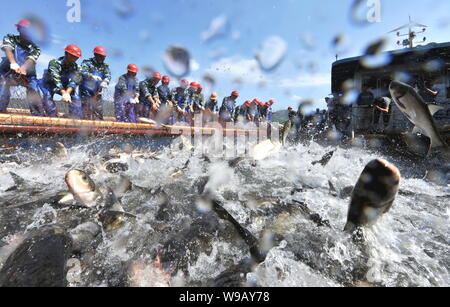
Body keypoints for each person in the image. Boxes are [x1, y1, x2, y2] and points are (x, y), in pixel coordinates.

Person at [0, 19, 42, 115]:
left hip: (27, 73)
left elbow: (32, 58)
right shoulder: (10, 38)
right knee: (2, 85)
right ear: (19, 29)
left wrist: (23, 68)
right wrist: (13, 63)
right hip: (7, 71)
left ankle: (37, 115)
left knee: (34, 88)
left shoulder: (35, 47)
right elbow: (8, 49)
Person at [40, 44, 83, 118]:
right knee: (48, 97)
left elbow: (74, 81)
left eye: (76, 57)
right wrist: (64, 93)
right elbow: (56, 79)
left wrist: (67, 93)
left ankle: (75, 120)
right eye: (72, 56)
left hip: (65, 85)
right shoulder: (54, 63)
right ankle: (51, 118)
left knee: (76, 99)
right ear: (66, 54)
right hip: (49, 84)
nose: (74, 59)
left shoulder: (77, 68)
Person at [79, 46, 111, 120]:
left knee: (98, 110)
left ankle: (98, 129)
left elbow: (108, 75)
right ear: (95, 55)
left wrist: (106, 81)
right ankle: (84, 128)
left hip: (97, 91)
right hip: (85, 90)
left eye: (103, 57)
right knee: (86, 109)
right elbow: (82, 71)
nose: (102, 58)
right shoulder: (87, 62)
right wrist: (91, 76)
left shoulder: (105, 66)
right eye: (100, 56)